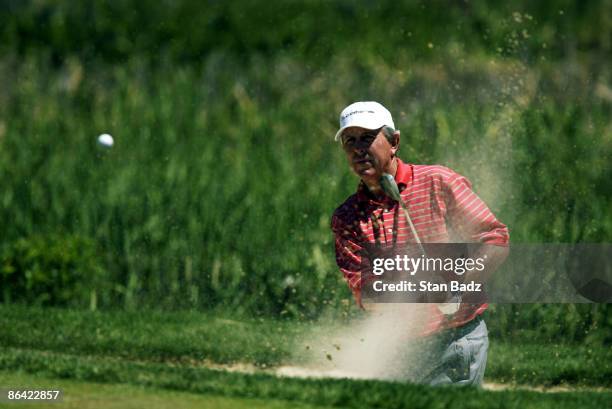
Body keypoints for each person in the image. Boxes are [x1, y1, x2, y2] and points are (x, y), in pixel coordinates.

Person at [331, 101, 509, 386]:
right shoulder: (347, 217)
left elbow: (495, 239)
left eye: (367, 137)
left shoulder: (438, 182)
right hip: (398, 345)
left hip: (455, 339)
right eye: (350, 140)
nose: (357, 148)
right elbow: (366, 292)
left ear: (394, 142)